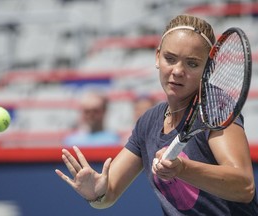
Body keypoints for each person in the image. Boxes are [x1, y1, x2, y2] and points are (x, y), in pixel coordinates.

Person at [56, 14, 258, 215]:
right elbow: (108, 193)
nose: (178, 71)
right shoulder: (149, 122)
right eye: (170, 59)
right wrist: (95, 193)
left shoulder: (215, 107)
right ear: (157, 57)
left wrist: (182, 169)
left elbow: (244, 187)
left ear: (209, 68)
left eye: (192, 63)